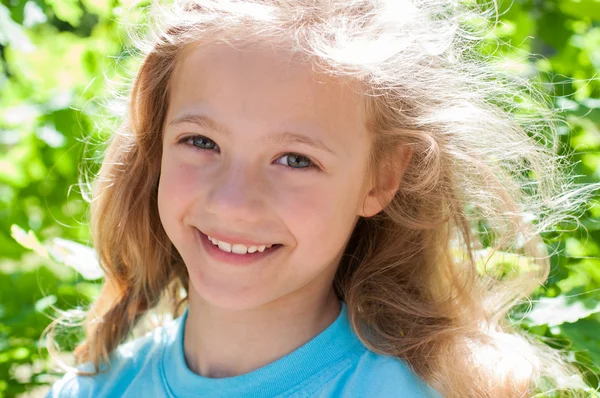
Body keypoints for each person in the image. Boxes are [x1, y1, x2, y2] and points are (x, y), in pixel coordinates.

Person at [45, 0, 593, 397]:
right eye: (201, 142)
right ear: (156, 144)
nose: (234, 202)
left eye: (295, 159)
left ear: (380, 179)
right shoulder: (100, 385)